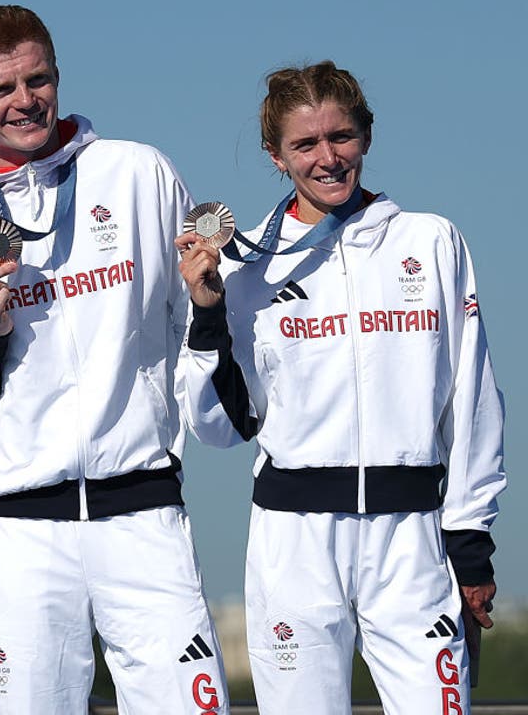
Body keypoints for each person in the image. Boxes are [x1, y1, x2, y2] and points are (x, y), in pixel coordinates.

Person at [0, 4, 229, 714]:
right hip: (22, 531)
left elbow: (185, 334)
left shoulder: (138, 172)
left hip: (141, 510)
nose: (26, 101)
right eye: (1, 90)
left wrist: (212, 311)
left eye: (38, 79)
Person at [175, 60, 505, 714]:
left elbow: (473, 400)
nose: (328, 158)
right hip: (294, 541)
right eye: (305, 144)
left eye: (341, 136)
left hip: (411, 537)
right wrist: (208, 313)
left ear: (366, 136)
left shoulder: (431, 242)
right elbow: (218, 428)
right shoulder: (243, 267)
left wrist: (470, 545)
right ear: (275, 156)